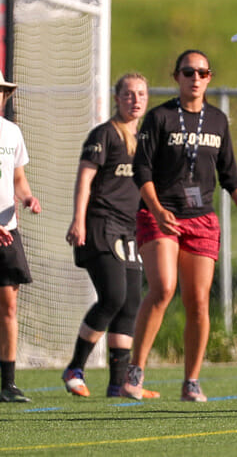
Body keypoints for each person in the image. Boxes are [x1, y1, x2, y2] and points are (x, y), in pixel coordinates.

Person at [122, 50, 237, 402]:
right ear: (177, 77)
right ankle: (135, 370)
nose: (195, 78)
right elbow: (142, 170)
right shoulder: (159, 117)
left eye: (202, 72)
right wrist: (155, 208)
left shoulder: (217, 120)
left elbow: (230, 175)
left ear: (209, 78)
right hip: (161, 212)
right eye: (188, 72)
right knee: (164, 288)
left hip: (202, 217)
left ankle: (191, 381)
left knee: (198, 301)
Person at [62, 73, 159, 399]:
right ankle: (75, 367)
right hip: (101, 225)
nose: (136, 100)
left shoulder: (145, 138)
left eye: (141, 94)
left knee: (131, 302)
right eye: (129, 94)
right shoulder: (103, 135)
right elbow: (84, 179)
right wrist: (78, 220)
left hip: (130, 229)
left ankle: (118, 384)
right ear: (117, 99)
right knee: (113, 296)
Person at [0, 72, 41, 403]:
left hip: (7, 231)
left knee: (9, 306)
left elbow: (18, 178)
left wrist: (27, 198)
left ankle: (8, 383)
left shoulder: (11, 132)